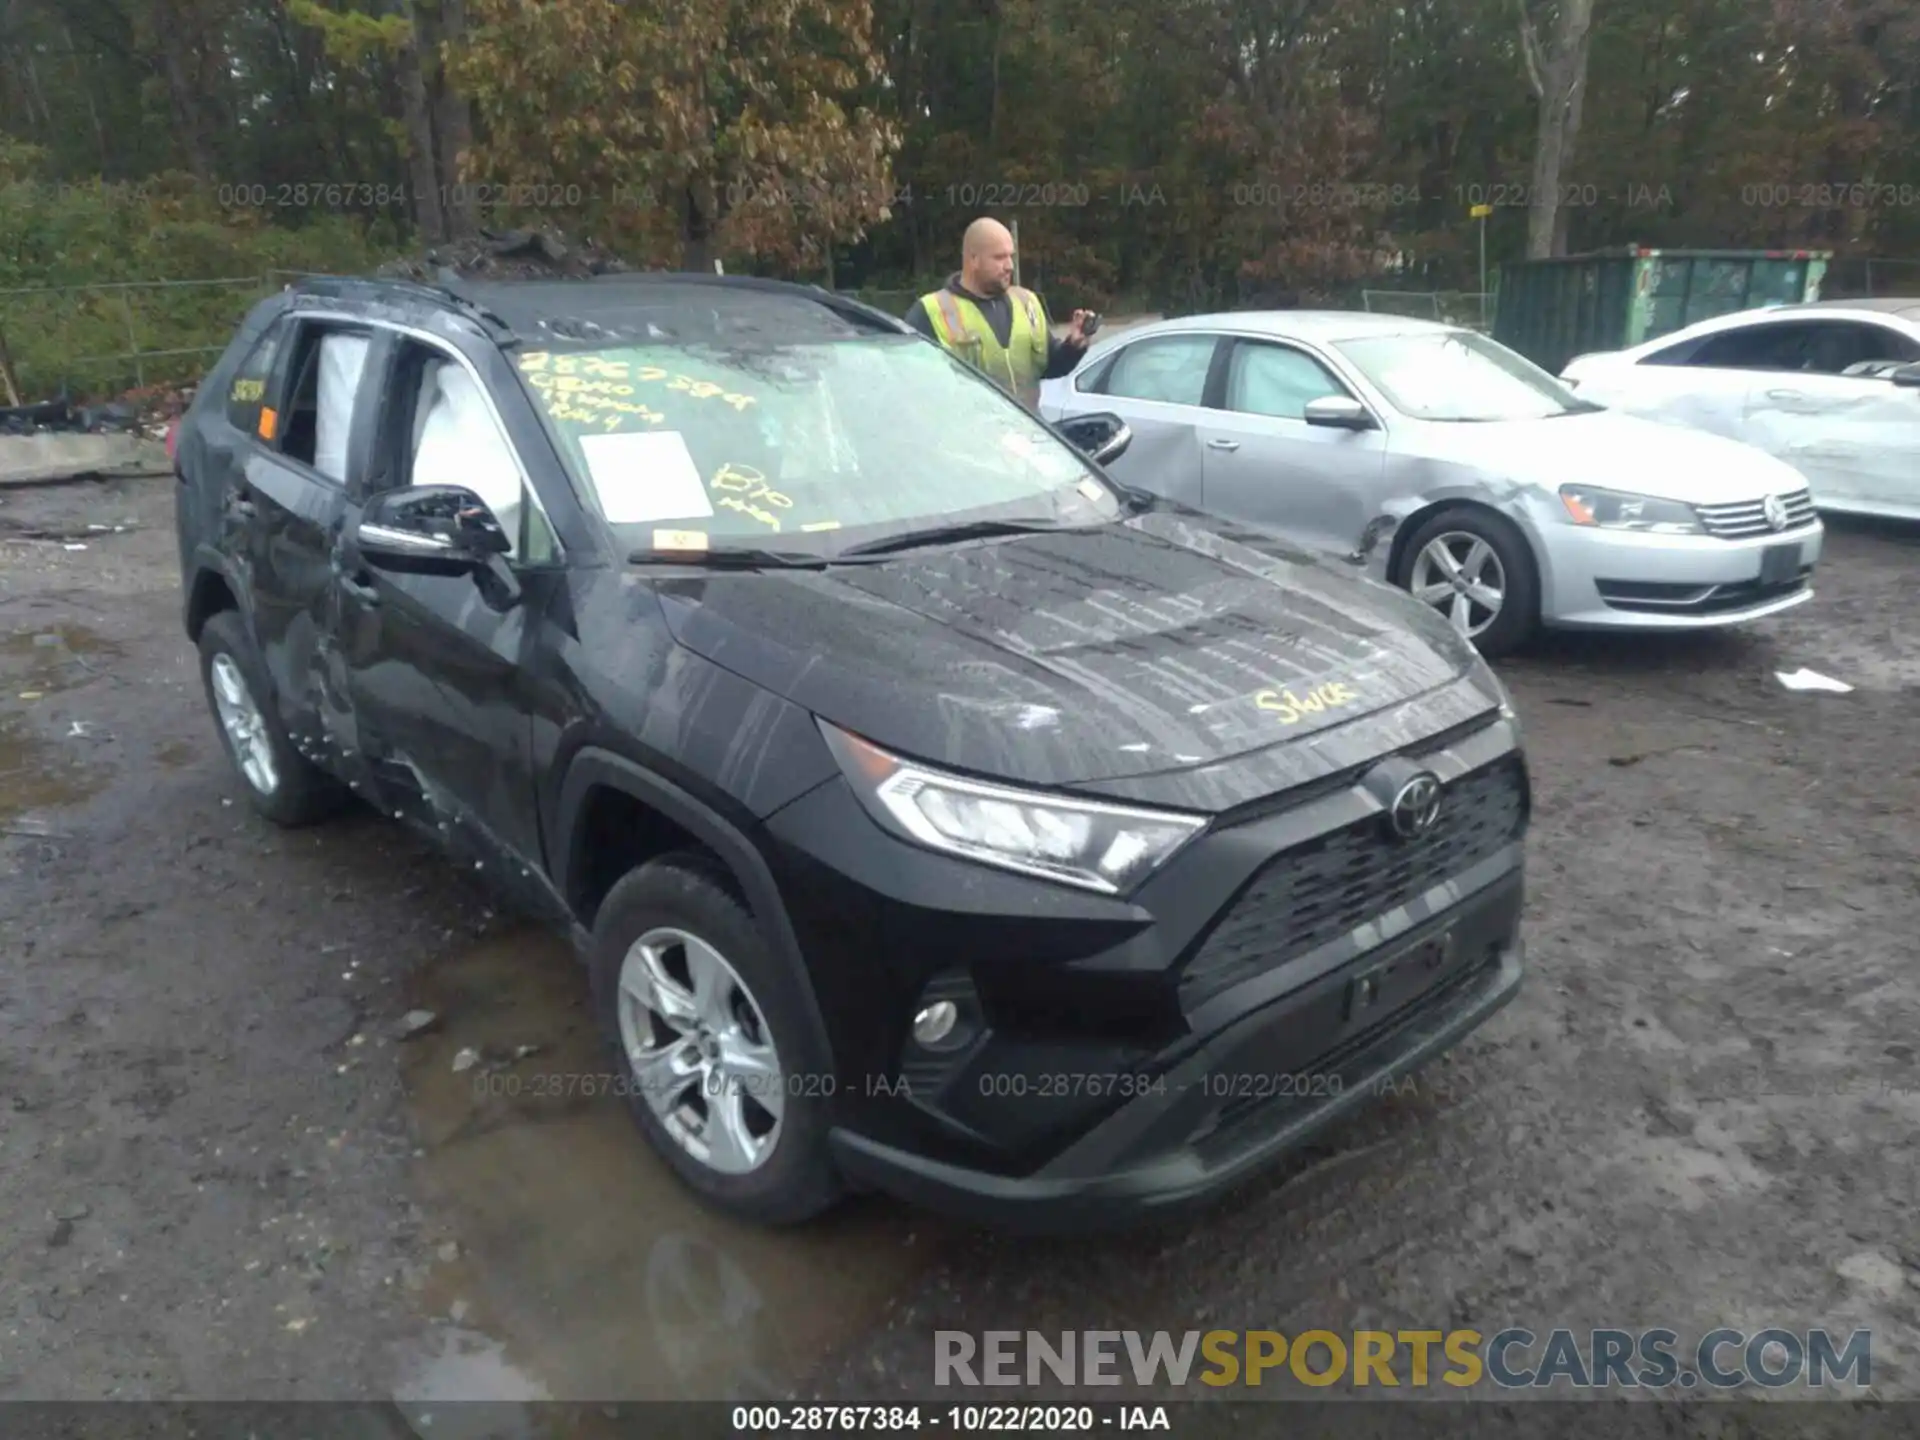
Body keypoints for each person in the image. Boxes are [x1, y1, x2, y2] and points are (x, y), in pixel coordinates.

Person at [904, 218, 1094, 410]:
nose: (1009, 265)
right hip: (967, 437)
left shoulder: (1026, 302)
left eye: (1011, 256)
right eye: (999, 257)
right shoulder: (931, 311)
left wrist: (1073, 346)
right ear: (973, 259)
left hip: (1027, 435)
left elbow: (1049, 368)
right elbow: (912, 390)